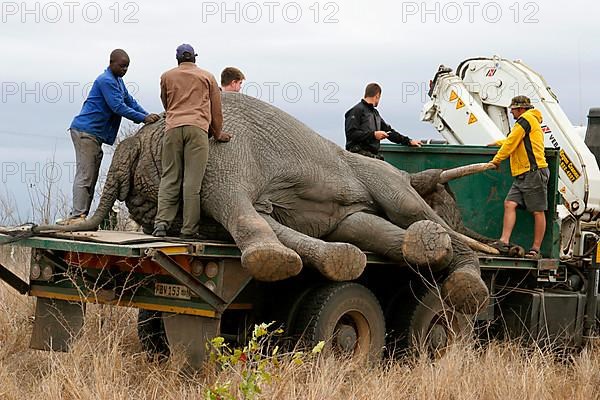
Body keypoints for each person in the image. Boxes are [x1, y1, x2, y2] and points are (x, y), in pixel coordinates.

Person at [61, 49, 160, 225]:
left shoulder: (118, 82)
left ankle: (81, 215)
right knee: (86, 174)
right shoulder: (105, 80)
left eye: (127, 67)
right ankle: (77, 216)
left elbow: (130, 101)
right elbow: (118, 106)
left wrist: (148, 116)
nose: (125, 70)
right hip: (86, 132)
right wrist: (142, 119)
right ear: (111, 62)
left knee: (91, 174)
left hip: (95, 134)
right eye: (122, 66)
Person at [153, 44, 231, 239]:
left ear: (178, 59)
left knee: (170, 177)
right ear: (194, 58)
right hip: (197, 129)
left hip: (172, 129)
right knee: (192, 183)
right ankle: (188, 230)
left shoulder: (166, 76)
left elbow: (166, 101)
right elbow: (216, 110)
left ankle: (161, 224)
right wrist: (218, 132)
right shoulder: (207, 77)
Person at [489, 96, 549, 259]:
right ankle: (504, 241)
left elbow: (511, 143)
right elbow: (513, 140)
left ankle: (535, 249)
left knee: (537, 211)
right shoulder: (528, 121)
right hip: (523, 173)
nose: (510, 112)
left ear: (521, 109)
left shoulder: (525, 120)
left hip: (533, 172)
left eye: (513, 109)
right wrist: (498, 143)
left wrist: (496, 160)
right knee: (510, 203)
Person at [344, 82, 421, 160]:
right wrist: (373, 135)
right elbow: (351, 133)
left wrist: (408, 141)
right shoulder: (356, 110)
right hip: (357, 155)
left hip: (372, 155)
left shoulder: (375, 113)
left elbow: (389, 132)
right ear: (377, 96)